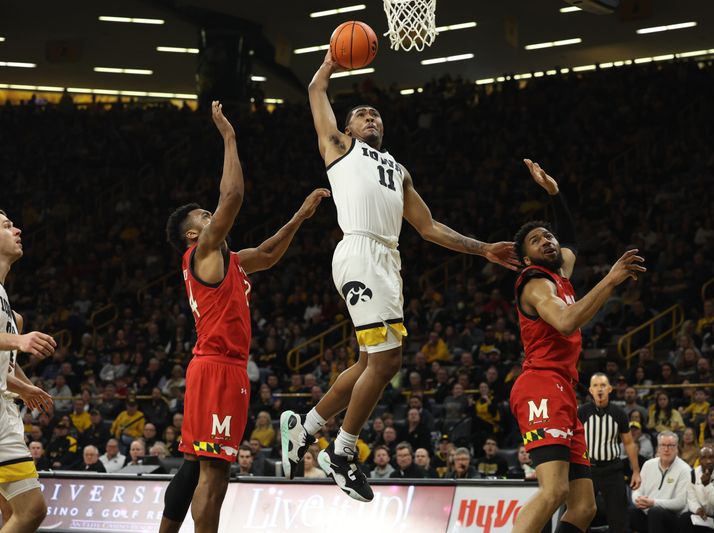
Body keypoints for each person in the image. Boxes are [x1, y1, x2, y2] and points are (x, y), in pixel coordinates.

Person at [280, 49, 516, 503]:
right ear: (347, 128)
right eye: (361, 113)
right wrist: (331, 57)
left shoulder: (398, 169)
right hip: (360, 248)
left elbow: (428, 228)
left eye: (375, 114)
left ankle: (305, 429)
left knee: (373, 361)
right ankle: (342, 452)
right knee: (388, 362)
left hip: (388, 258)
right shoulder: (338, 148)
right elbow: (314, 90)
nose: (369, 117)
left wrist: (482, 247)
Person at [159, 102, 328, 533]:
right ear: (194, 235)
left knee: (199, 467)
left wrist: (300, 216)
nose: (210, 214)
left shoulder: (230, 259)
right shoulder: (204, 253)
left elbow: (268, 254)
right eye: (203, 215)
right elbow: (232, 196)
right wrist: (229, 137)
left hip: (222, 368)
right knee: (214, 474)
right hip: (218, 366)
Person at [509, 162, 645, 533]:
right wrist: (611, 280)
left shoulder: (560, 273)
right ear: (526, 258)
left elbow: (569, 236)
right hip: (540, 385)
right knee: (553, 492)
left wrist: (554, 192)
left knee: (583, 508)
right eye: (537, 241)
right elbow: (567, 321)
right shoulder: (535, 283)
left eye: (547, 236)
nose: (548, 241)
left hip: (564, 390)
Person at [0, 208, 57, 533]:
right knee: (30, 510)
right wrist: (18, 340)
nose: (18, 230)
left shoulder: (4, 297)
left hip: (5, 409)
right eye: (7, 226)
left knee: (14, 511)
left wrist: (22, 387)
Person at [578, 372, 641, 533]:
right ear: (590, 390)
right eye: (596, 386)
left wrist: (636, 471)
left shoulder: (619, 413)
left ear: (610, 389)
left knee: (618, 517)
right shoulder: (582, 412)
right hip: (587, 470)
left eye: (603, 385)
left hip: (612, 470)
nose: (600, 389)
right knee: (580, 514)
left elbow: (628, 443)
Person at [630, 431, 692, 533]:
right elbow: (637, 490)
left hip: (672, 518)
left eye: (670, 446)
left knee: (655, 512)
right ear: (658, 447)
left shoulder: (685, 470)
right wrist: (638, 500)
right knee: (630, 511)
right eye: (663, 445)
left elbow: (680, 503)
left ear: (677, 448)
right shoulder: (648, 464)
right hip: (648, 513)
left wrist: (653, 503)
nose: (666, 449)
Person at [679, 446, 714, 532]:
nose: (708, 461)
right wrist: (697, 509)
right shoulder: (693, 474)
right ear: (699, 460)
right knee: (685, 517)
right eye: (704, 458)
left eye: (711, 457)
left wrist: (707, 486)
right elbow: (691, 498)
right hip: (701, 515)